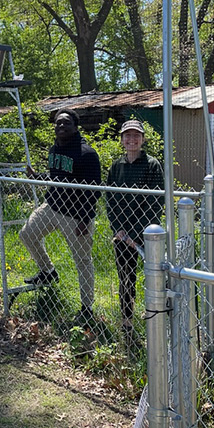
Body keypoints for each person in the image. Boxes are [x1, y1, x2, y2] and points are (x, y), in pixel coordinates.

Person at [19, 109, 101, 317]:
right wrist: (38, 176)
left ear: (75, 126)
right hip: (52, 206)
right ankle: (48, 272)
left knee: (82, 260)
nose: (61, 126)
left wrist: (84, 218)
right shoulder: (54, 149)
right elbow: (57, 176)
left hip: (76, 216)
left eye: (66, 123)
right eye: (58, 123)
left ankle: (87, 308)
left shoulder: (87, 154)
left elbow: (95, 189)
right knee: (27, 234)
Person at [106, 120, 164, 336]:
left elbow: (155, 203)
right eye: (127, 135)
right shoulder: (116, 166)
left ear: (143, 139)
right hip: (121, 235)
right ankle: (127, 320)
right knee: (126, 276)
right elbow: (110, 199)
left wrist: (138, 235)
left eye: (136, 135)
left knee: (153, 274)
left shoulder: (152, 164)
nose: (131, 140)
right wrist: (119, 230)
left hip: (146, 234)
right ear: (121, 140)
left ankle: (155, 314)